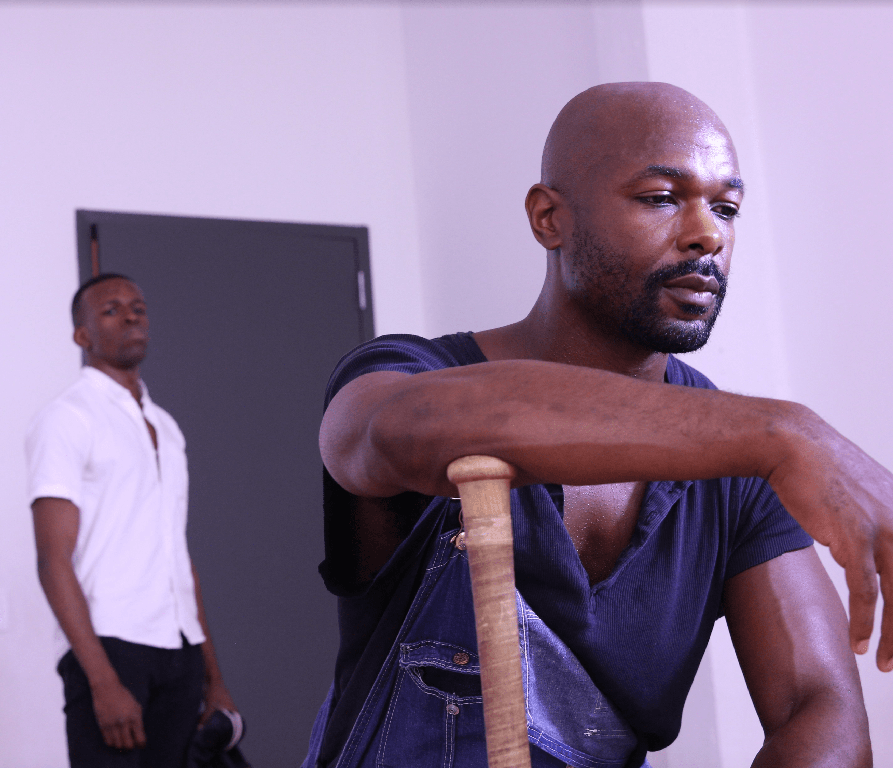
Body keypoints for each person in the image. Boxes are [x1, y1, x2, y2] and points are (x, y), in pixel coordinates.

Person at [304, 82, 893, 768]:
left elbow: (818, 709)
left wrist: (774, 438)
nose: (708, 233)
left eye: (727, 208)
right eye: (661, 197)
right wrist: (786, 432)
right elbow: (395, 432)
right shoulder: (411, 374)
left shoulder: (741, 465)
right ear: (550, 218)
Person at [26, 273, 236, 767]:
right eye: (111, 309)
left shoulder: (166, 426)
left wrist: (213, 678)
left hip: (179, 650)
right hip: (110, 648)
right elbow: (51, 559)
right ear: (83, 336)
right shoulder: (67, 418)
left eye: (138, 306)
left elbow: (176, 556)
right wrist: (102, 681)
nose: (131, 315)